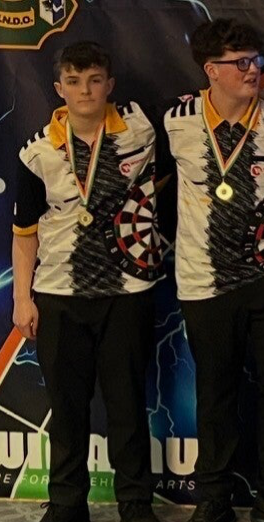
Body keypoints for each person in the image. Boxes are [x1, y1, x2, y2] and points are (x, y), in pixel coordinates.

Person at [164, 18, 264, 522]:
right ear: (211, 70)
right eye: (242, 63)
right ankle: (213, 497)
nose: (253, 70)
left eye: (257, 62)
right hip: (204, 279)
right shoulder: (174, 119)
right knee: (215, 392)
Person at [12, 41, 163, 522]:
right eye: (74, 82)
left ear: (109, 85)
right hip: (59, 294)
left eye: (95, 80)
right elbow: (24, 233)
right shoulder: (37, 152)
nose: (85, 90)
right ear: (59, 88)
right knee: (67, 407)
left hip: (127, 293)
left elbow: (208, 107)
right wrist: (22, 299)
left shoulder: (142, 126)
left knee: (127, 404)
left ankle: (135, 502)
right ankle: (66, 503)